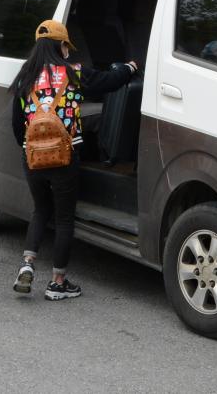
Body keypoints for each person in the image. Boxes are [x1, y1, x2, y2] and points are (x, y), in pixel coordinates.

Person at [10, 20, 137, 300]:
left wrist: (30, 147)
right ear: (61, 46)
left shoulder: (24, 77)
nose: (68, 50)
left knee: (40, 210)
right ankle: (57, 283)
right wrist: (129, 68)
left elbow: (17, 125)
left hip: (32, 157)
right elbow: (109, 82)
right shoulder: (74, 73)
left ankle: (27, 264)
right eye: (66, 46)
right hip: (64, 157)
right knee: (64, 218)